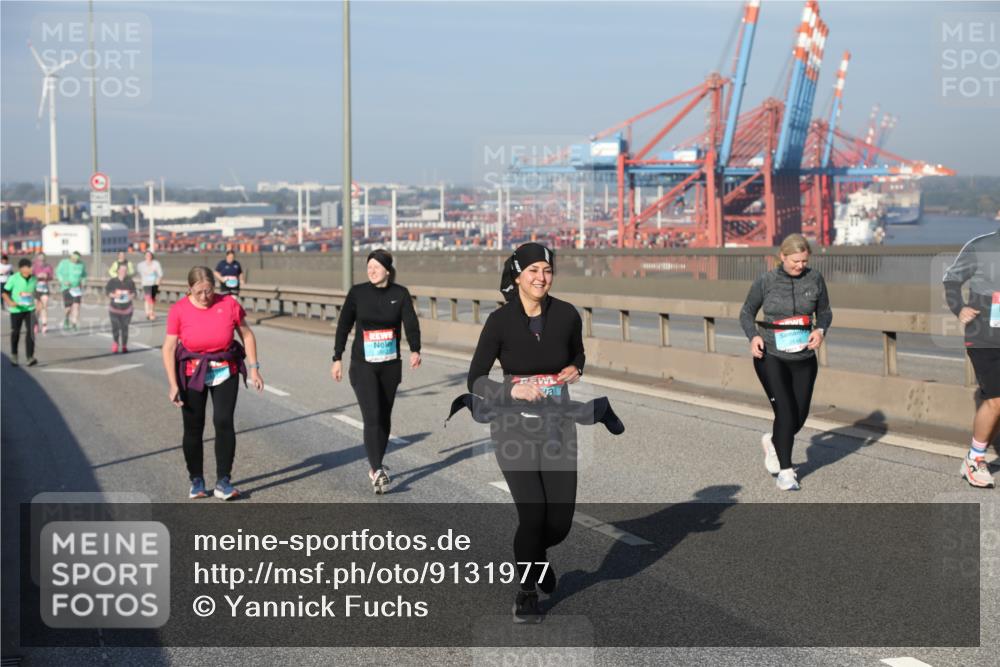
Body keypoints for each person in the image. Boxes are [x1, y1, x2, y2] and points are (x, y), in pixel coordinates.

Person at [453, 242, 624, 623]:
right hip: (512, 428)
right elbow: (476, 378)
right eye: (532, 271)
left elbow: (576, 354)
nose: (541, 278)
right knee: (532, 517)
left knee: (559, 523)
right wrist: (510, 390)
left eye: (546, 271)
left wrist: (576, 369)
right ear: (517, 276)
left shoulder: (566, 315)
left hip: (558, 426)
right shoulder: (499, 322)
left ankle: (536, 556)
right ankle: (527, 593)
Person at [161, 267, 264, 500]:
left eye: (208, 291)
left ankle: (223, 481)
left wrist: (255, 369)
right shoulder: (179, 310)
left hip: (225, 368)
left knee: (224, 421)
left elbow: (246, 335)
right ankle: (196, 479)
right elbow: (168, 348)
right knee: (193, 426)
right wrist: (173, 383)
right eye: (199, 292)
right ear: (189, 290)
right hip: (191, 372)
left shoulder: (228, 304)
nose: (205, 296)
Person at [740, 233, 832, 491]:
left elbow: (824, 312)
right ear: (782, 256)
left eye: (804, 261)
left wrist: (820, 331)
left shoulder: (814, 279)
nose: (800, 265)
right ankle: (786, 471)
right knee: (785, 412)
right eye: (795, 261)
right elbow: (746, 312)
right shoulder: (766, 281)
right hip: (771, 356)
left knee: (798, 418)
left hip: (803, 357)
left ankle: (772, 441)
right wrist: (753, 336)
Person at [331, 249, 421, 494]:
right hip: (363, 365)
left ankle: (376, 465)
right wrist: (337, 357)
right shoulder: (358, 293)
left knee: (384, 417)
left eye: (376, 267)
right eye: (368, 266)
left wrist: (415, 349)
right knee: (372, 415)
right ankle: (377, 468)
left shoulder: (399, 294)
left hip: (390, 364)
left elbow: (410, 322)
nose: (371, 271)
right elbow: (344, 325)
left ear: (387, 271)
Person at [943, 226, 1000, 489]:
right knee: (996, 400)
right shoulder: (980, 246)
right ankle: (974, 460)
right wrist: (959, 307)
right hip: (984, 336)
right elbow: (951, 279)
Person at [2, 258, 38, 366]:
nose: (31, 268)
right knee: (16, 332)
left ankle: (30, 357)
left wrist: (40, 304)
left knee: (31, 332)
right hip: (16, 310)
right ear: (22, 268)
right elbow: (4, 292)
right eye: (29, 266)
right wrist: (10, 302)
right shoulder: (13, 278)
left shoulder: (34, 279)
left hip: (29, 309)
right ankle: (14, 354)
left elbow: (37, 292)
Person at [105, 262, 138, 353]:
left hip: (127, 309)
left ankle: (124, 345)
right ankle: (115, 343)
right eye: (122, 270)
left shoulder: (130, 282)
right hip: (114, 309)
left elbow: (134, 293)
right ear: (118, 271)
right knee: (115, 327)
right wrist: (114, 295)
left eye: (125, 270)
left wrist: (131, 296)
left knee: (125, 327)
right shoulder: (112, 281)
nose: (123, 271)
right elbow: (107, 292)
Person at [56, 251, 87, 331]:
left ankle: (74, 324)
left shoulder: (81, 265)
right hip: (66, 288)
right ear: (71, 257)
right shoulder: (64, 263)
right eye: (74, 258)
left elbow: (84, 275)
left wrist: (83, 282)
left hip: (77, 288)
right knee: (68, 308)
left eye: (77, 259)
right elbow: (58, 272)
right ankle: (66, 319)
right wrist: (63, 281)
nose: (75, 260)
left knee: (76, 306)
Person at [32, 252, 55, 334]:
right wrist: (37, 276)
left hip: (45, 289)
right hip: (36, 289)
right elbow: (29, 276)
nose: (41, 260)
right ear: (37, 259)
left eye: (43, 258)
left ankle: (45, 325)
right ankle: (35, 324)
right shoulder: (34, 266)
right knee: (37, 309)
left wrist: (47, 276)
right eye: (40, 258)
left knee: (44, 307)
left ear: (45, 259)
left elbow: (52, 277)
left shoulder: (48, 267)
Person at [137, 251, 164, 321]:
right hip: (146, 283)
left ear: (152, 256)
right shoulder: (141, 264)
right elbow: (139, 273)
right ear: (145, 256)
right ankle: (148, 312)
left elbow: (160, 274)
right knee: (148, 297)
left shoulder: (156, 263)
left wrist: (158, 282)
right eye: (147, 255)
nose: (148, 256)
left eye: (149, 255)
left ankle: (150, 311)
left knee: (152, 298)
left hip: (154, 283)